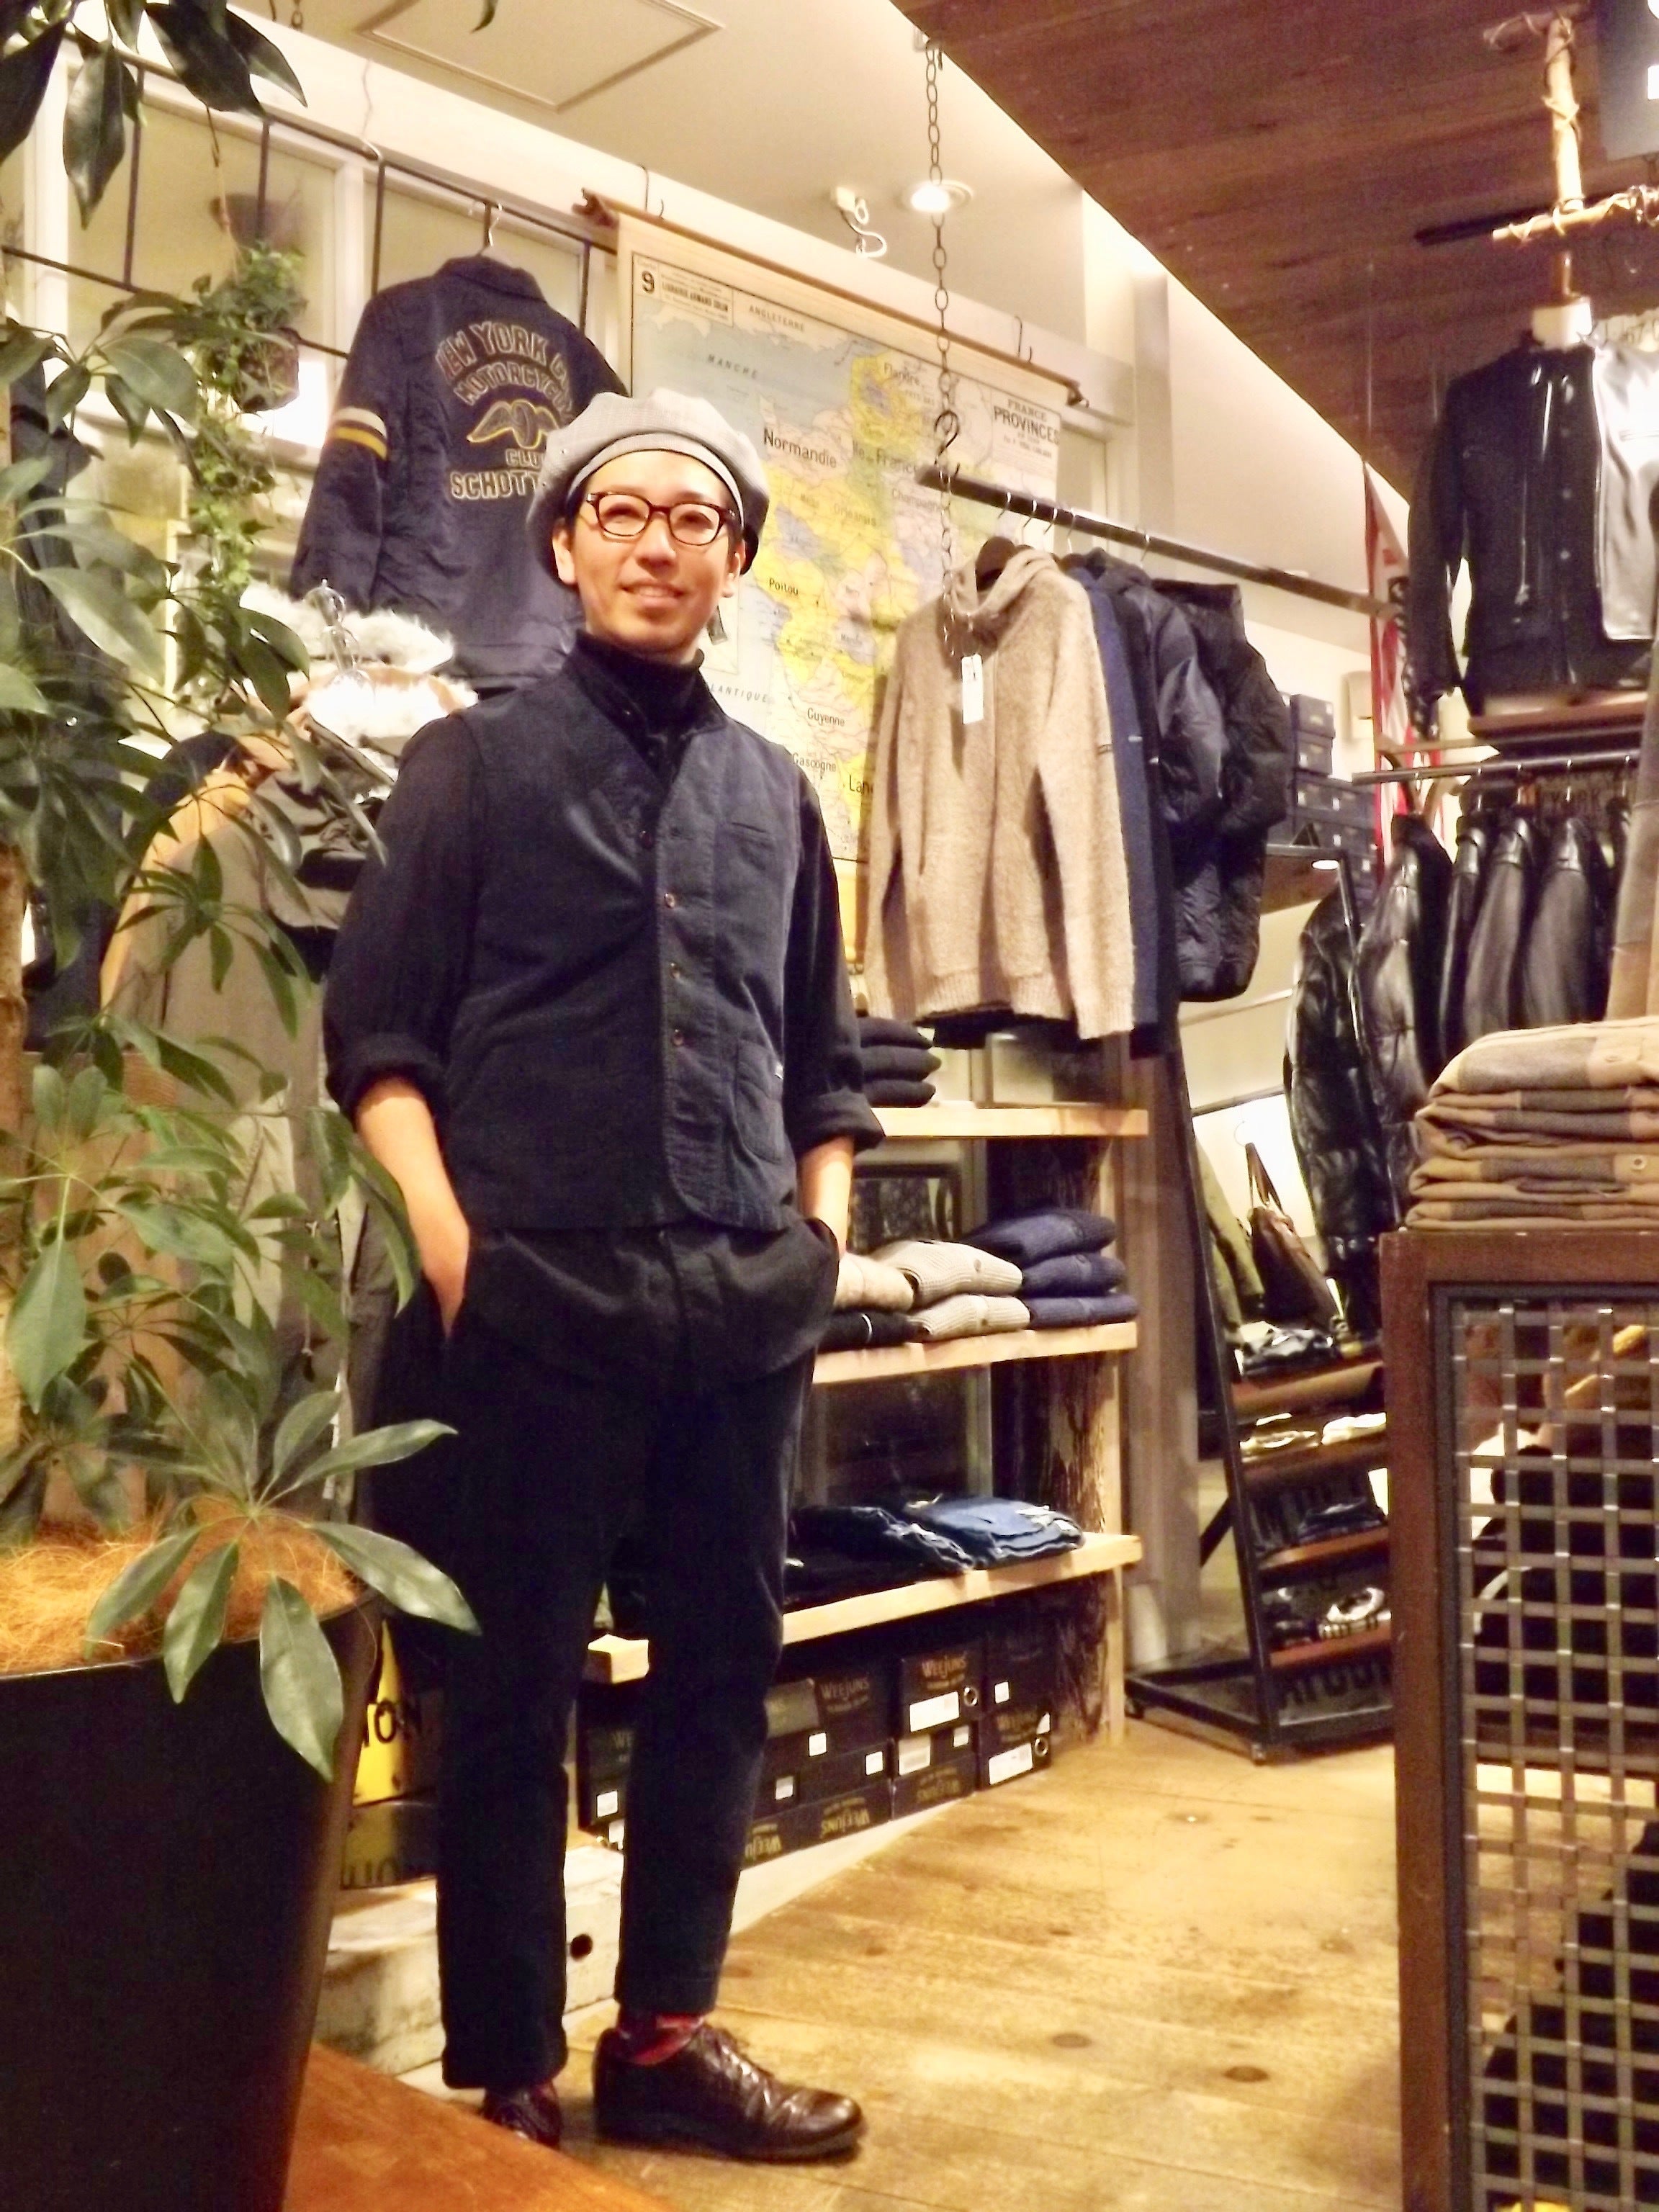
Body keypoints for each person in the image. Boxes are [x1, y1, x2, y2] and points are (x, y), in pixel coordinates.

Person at [323, 389, 881, 2162]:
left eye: (693, 519)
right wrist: (454, 1252)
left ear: (734, 558)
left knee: (721, 1671)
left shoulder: (775, 793)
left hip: (741, 1300)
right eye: (622, 514)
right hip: (532, 1305)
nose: (657, 545)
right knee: (509, 1690)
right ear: (564, 546)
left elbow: (824, 1059)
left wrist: (822, 1239)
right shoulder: (468, 767)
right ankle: (506, 2069)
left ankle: (665, 2035)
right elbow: (379, 1043)